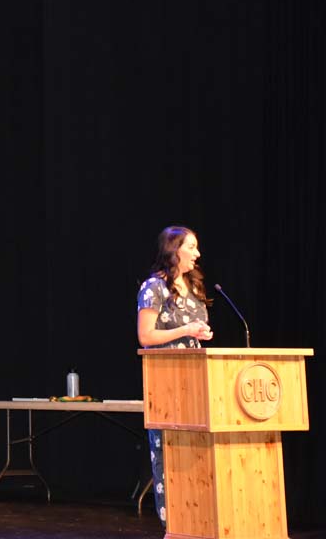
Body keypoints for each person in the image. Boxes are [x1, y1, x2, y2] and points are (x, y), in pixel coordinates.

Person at [136, 225, 214, 527]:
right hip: (167, 384)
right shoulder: (154, 287)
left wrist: (201, 333)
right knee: (170, 457)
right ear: (174, 249)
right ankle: (177, 525)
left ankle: (200, 521)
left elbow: (192, 329)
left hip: (195, 382)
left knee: (196, 455)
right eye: (191, 247)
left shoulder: (193, 287)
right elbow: (146, 335)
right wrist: (185, 330)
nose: (197, 253)